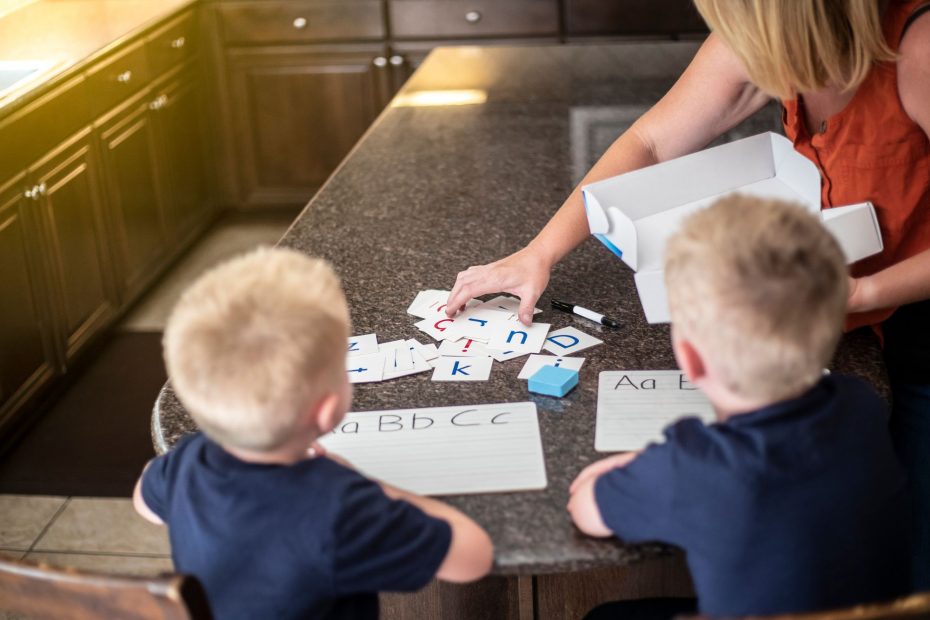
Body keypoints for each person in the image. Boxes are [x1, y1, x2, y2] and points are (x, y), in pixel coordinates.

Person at [446, 0, 930, 588]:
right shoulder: (756, 31)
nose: (729, 40)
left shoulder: (918, 47)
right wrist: (540, 252)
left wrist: (857, 291)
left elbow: (600, 506)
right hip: (833, 318)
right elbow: (650, 143)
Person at [568, 195, 911, 616]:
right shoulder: (862, 404)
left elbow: (586, 507)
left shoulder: (691, 467)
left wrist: (634, 464)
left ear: (691, 359)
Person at [133, 247, 493, 620]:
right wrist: (371, 485)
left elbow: (143, 501)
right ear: (325, 411)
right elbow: (474, 555)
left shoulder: (188, 460)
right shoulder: (342, 506)